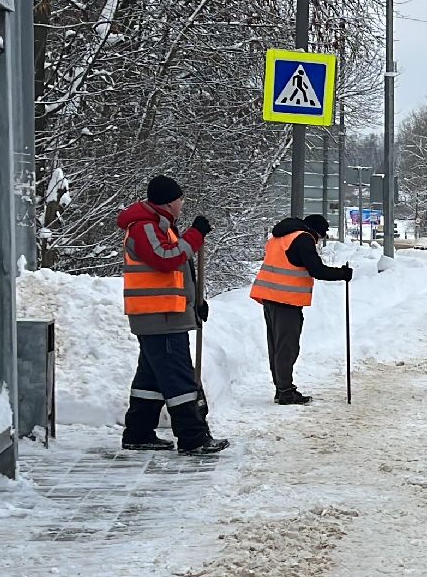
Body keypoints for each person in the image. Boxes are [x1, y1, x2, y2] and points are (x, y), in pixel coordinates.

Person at [117, 175, 229, 454]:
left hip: (165, 315)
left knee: (151, 379)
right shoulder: (145, 228)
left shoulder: (160, 227)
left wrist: (195, 305)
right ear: (169, 202)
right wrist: (196, 234)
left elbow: (177, 275)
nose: (182, 204)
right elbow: (166, 259)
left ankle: (139, 433)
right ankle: (193, 438)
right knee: (179, 379)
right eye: (180, 199)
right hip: (160, 317)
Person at [251, 213, 353, 404]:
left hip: (270, 297)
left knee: (277, 346)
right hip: (285, 300)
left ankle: (281, 389)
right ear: (317, 232)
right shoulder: (303, 239)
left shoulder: (280, 237)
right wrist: (342, 273)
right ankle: (286, 392)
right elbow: (317, 270)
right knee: (286, 348)